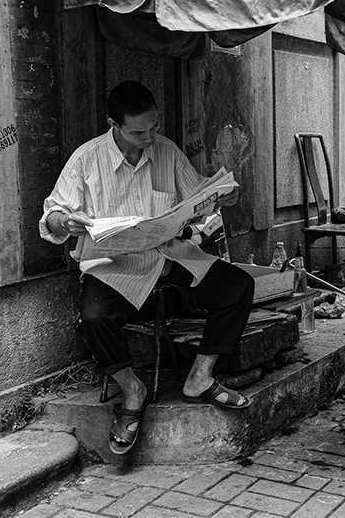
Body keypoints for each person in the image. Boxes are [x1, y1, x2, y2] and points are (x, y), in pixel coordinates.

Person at [39, 81, 256, 456]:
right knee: (94, 318)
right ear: (114, 124)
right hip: (114, 265)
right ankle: (132, 389)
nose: (149, 136)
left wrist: (221, 195)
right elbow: (52, 215)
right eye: (139, 131)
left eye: (154, 127)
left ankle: (200, 377)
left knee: (236, 285)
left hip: (168, 255)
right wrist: (63, 223)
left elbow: (197, 194)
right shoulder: (86, 160)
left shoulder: (166, 151)